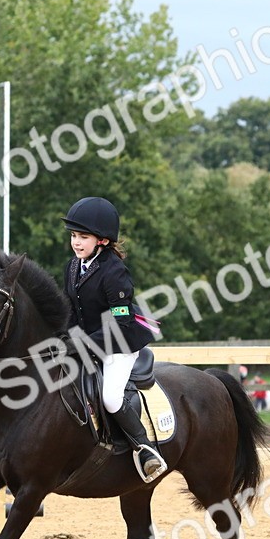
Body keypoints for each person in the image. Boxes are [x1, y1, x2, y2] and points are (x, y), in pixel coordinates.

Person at [61, 196, 167, 483]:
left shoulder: (114, 271)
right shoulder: (73, 267)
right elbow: (70, 310)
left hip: (120, 343)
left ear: (103, 241)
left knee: (109, 397)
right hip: (88, 341)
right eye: (73, 236)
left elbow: (120, 323)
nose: (76, 242)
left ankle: (144, 448)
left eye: (83, 237)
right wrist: (65, 338)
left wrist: (82, 344)